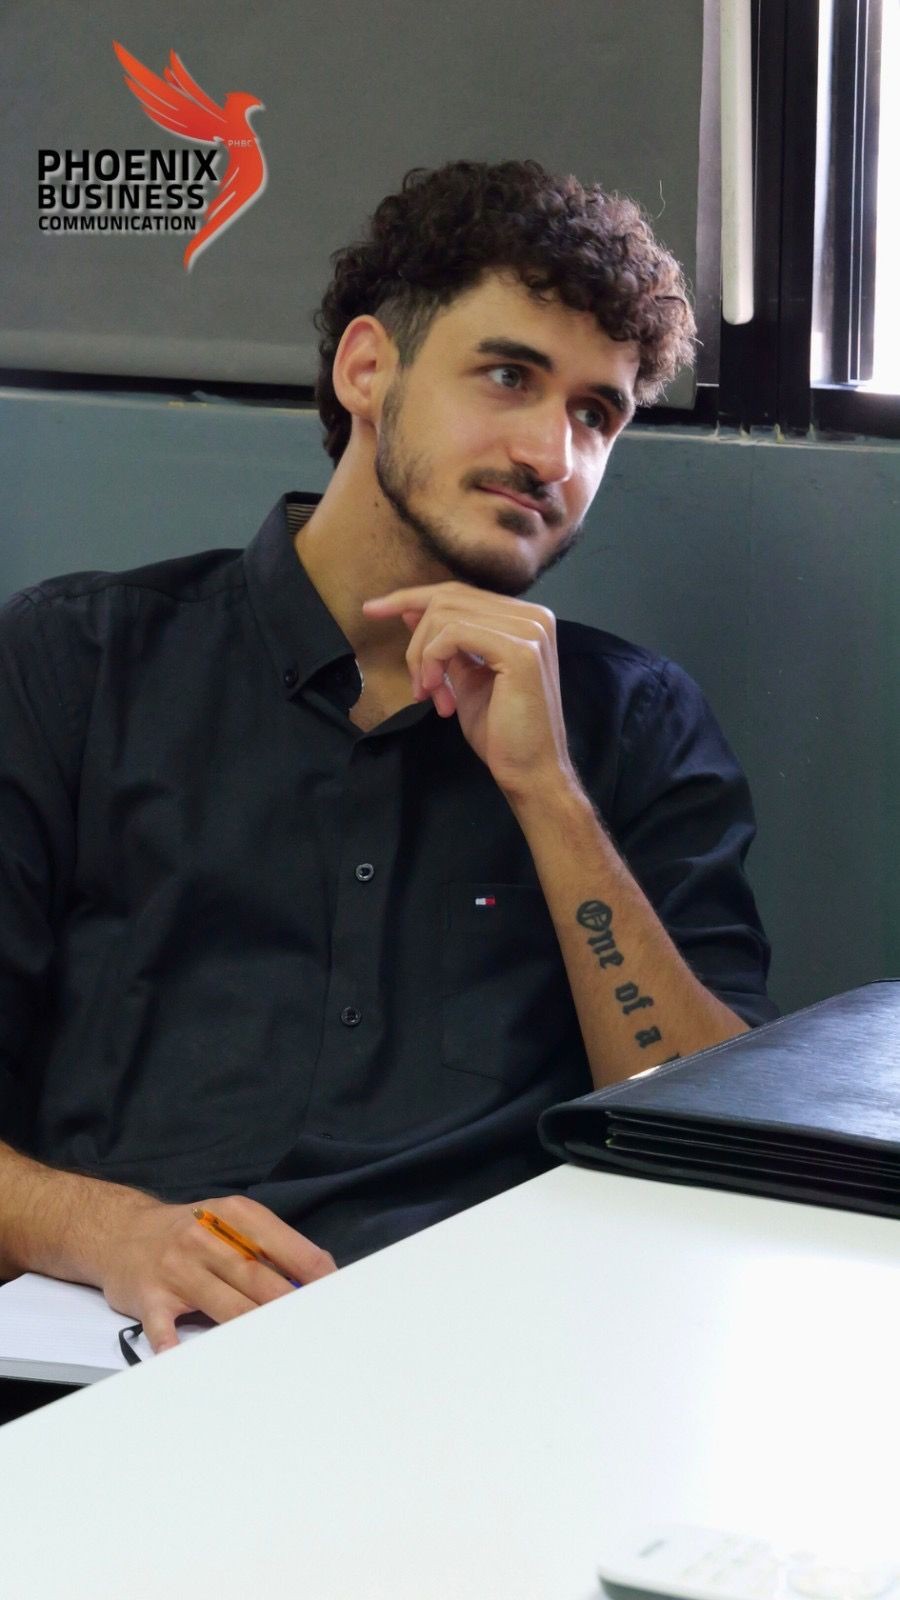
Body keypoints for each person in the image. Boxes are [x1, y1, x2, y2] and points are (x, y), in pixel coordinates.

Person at [0, 159, 776, 1352]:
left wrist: (545, 790)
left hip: (499, 1375)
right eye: (508, 375)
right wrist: (111, 1232)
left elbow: (713, 1147)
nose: (550, 454)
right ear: (368, 369)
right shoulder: (76, 662)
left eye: (596, 414)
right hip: (110, 1357)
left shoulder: (637, 726)